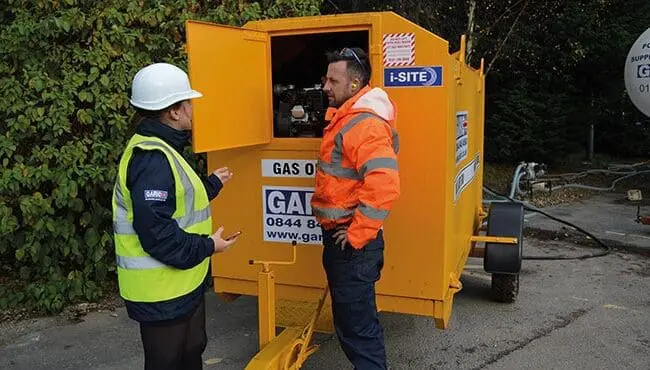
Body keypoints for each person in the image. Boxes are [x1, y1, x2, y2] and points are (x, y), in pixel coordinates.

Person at [112, 62, 239, 370]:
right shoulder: (152, 159)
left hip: (181, 284)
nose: (193, 109)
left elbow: (176, 200)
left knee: (191, 350)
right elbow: (158, 234)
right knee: (167, 362)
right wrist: (210, 246)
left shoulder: (164, 148)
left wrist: (211, 185)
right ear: (173, 112)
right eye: (188, 103)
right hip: (161, 292)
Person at [311, 47, 400, 369]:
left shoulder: (363, 124)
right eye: (326, 79)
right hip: (344, 241)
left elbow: (385, 184)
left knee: (357, 329)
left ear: (354, 84)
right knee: (353, 323)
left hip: (351, 246)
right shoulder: (348, 119)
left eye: (333, 80)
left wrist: (358, 233)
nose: (325, 87)